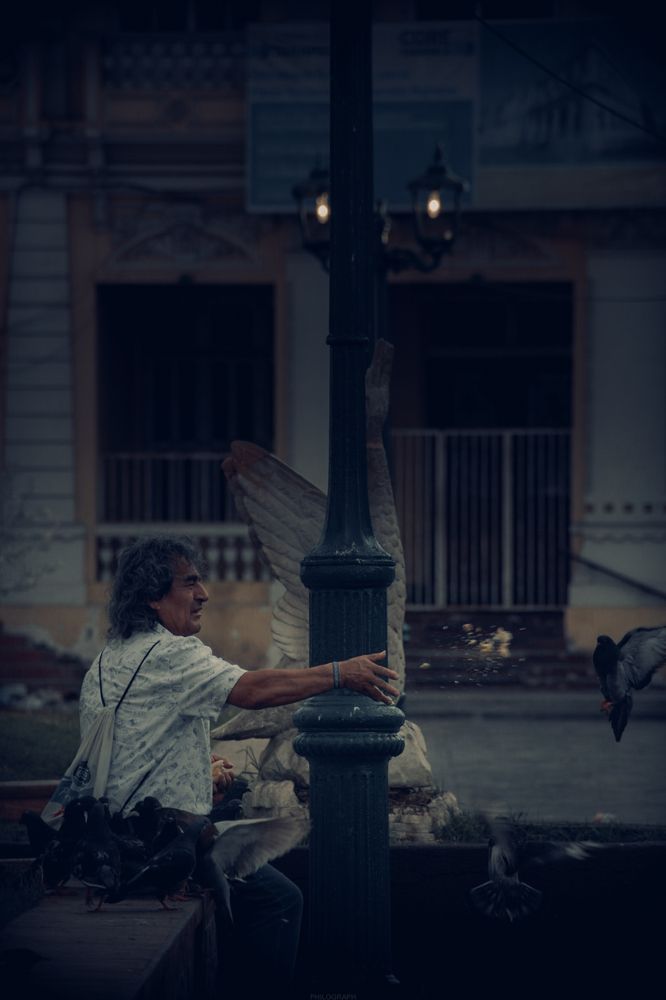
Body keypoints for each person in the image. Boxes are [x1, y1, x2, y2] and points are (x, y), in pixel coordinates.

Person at [79, 534, 399, 998]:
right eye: (189, 582)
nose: (204, 593)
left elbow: (133, 743)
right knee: (278, 900)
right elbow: (251, 689)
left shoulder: (109, 659)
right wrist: (338, 674)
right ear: (152, 596)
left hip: (116, 837)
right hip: (155, 845)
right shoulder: (169, 652)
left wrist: (196, 768)